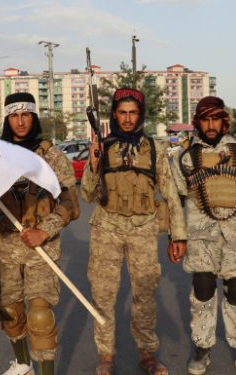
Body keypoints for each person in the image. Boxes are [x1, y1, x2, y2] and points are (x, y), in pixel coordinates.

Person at [81, 87, 187, 375]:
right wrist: (93, 163)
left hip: (142, 228)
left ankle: (147, 354)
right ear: (114, 115)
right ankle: (106, 356)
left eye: (133, 113)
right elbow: (88, 195)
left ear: (141, 116)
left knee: (144, 294)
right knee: (103, 295)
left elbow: (171, 194)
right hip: (107, 228)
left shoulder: (156, 149)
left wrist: (177, 236)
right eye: (122, 113)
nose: (127, 119)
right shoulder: (103, 147)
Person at [170, 96, 236, 375]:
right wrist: (177, 237)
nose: (211, 125)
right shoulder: (185, 155)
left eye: (215, 118)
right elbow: (176, 201)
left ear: (224, 120)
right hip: (199, 236)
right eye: (205, 119)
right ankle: (202, 347)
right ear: (198, 122)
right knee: (203, 292)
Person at [0, 92, 79, 375]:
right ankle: (22, 364)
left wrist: (45, 232)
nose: (20, 122)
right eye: (14, 116)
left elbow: (70, 202)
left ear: (34, 117)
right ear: (7, 119)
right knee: (9, 312)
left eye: (26, 115)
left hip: (40, 251)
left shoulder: (51, 156)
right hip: (5, 250)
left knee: (40, 316)